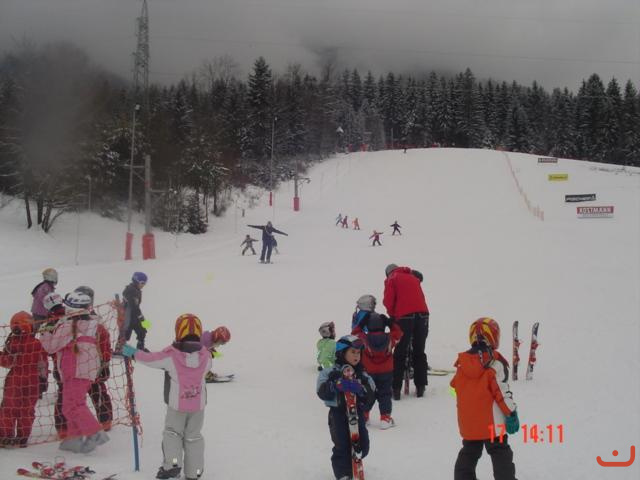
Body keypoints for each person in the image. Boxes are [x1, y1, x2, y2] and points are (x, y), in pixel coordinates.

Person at [121, 313, 211, 480]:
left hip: (177, 405)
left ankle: (172, 466)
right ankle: (195, 472)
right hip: (198, 406)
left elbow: (151, 359)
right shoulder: (206, 356)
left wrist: (133, 353)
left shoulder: (171, 355)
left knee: (173, 434)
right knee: (194, 436)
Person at [450, 318, 519, 480]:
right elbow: (501, 393)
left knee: (469, 452)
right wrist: (511, 412)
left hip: (469, 422)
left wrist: (468, 399)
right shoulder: (495, 363)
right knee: (499, 451)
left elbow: (454, 389)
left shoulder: (462, 364)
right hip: (492, 423)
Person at [39, 291, 108, 453]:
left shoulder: (68, 326)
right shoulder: (92, 322)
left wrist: (45, 331)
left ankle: (94, 433)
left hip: (75, 368)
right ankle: (74, 438)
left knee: (73, 405)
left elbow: (51, 347)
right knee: (69, 405)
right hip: (86, 368)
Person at [317, 335, 375, 480]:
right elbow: (321, 391)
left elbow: (372, 393)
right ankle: (343, 474)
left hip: (357, 414)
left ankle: (356, 460)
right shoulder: (330, 372)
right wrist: (334, 385)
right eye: (353, 352)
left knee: (363, 445)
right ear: (342, 353)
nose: (356, 356)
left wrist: (361, 390)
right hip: (338, 414)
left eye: (358, 353)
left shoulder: (361, 373)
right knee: (342, 445)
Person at [351, 295, 402, 429]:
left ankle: (365, 416)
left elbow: (354, 333)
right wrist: (389, 322)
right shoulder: (390, 338)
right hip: (386, 371)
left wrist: (361, 323)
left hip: (368, 371)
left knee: (368, 392)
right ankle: (385, 418)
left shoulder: (363, 338)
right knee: (385, 393)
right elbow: (399, 332)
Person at [383, 263, 430, 399]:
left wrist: (392, 316)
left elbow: (388, 301)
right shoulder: (412, 276)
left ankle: (396, 388)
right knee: (419, 351)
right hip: (423, 315)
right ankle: (420, 387)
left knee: (400, 352)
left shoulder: (392, 278)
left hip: (404, 317)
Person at [0, 311, 47, 448]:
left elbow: (8, 362)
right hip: (34, 380)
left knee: (9, 409)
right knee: (27, 410)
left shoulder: (13, 344)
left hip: (15, 380)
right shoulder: (37, 343)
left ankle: (5, 436)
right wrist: (43, 379)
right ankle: (22, 437)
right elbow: (43, 364)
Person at [75, 286, 113, 431]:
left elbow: (104, 342)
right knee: (74, 397)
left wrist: (105, 362)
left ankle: (105, 419)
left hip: (93, 365)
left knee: (98, 392)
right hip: (77, 365)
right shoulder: (71, 321)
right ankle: (71, 425)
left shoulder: (95, 321)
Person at [41, 292, 68, 438]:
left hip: (61, 365)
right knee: (73, 397)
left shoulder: (48, 325)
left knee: (64, 395)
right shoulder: (73, 316)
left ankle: (63, 428)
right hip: (80, 363)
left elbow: (47, 348)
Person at [121, 272, 150, 352]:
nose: (143, 285)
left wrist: (142, 318)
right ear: (136, 281)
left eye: (145, 283)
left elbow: (136, 307)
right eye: (142, 283)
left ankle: (140, 347)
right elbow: (134, 306)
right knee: (126, 332)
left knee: (143, 329)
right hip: (128, 316)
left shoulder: (136, 290)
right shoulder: (131, 291)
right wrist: (141, 318)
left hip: (134, 315)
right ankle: (120, 347)